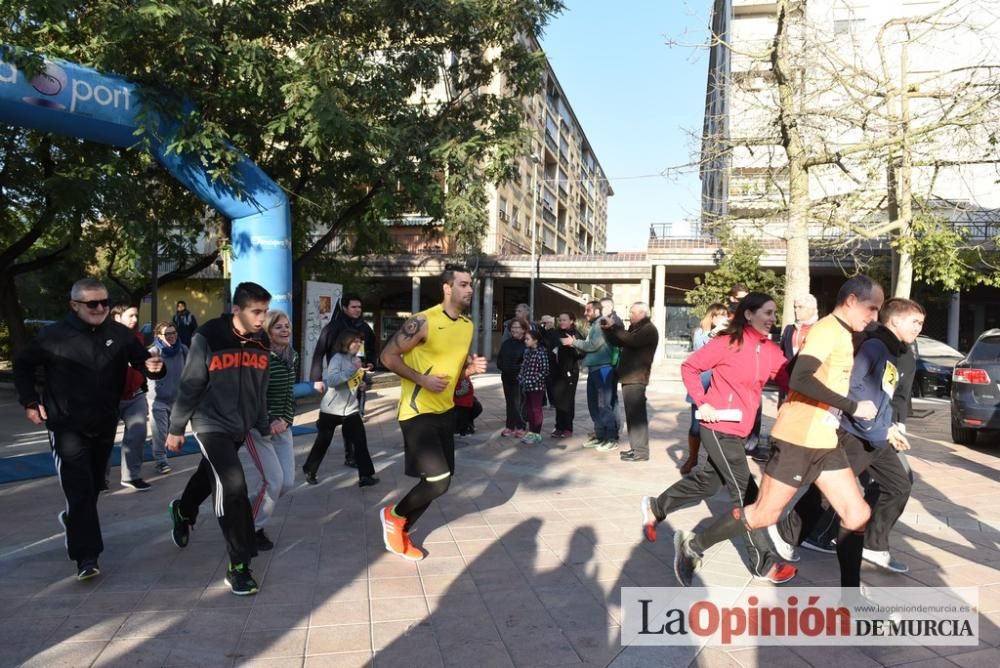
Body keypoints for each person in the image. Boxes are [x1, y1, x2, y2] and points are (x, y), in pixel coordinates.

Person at [671, 276, 883, 589]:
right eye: (872, 308)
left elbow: (793, 371)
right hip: (798, 439)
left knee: (856, 513)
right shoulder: (827, 330)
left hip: (824, 440)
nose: (874, 316)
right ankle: (694, 546)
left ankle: (851, 599)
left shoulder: (841, 332)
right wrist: (852, 406)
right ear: (851, 300)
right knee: (762, 514)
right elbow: (800, 379)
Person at [640, 293, 796, 586]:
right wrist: (703, 402)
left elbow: (790, 378)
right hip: (718, 424)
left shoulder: (770, 350)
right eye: (767, 312)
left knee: (708, 483)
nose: (773, 319)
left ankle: (656, 507)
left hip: (740, 430)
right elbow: (690, 368)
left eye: (775, 313)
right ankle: (763, 562)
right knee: (746, 494)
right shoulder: (727, 343)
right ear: (748, 315)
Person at [14, 279, 164, 581]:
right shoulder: (52, 335)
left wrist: (154, 367)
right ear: (75, 305)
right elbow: (22, 365)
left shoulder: (120, 334)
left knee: (95, 485)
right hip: (65, 424)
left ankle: (73, 520)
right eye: (92, 304)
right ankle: (87, 556)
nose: (100, 309)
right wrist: (30, 401)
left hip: (104, 423)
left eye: (104, 303)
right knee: (79, 489)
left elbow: (143, 361)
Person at [768, 297, 924, 576]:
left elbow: (886, 395)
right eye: (915, 322)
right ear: (896, 320)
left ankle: (874, 545)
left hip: (878, 436)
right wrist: (868, 421)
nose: (918, 329)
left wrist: (891, 427)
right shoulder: (874, 346)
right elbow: (852, 388)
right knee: (827, 495)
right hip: (855, 434)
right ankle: (787, 534)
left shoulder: (895, 349)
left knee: (900, 484)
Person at [165, 282, 273, 596]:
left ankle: (183, 510)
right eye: (256, 311)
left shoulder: (261, 342)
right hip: (209, 422)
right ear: (236, 309)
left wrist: (262, 423)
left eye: (264, 312)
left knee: (208, 473)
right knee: (232, 485)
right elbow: (191, 383)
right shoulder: (209, 336)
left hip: (239, 425)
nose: (260, 319)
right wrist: (176, 427)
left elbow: (260, 387)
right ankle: (239, 565)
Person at [378, 264, 487, 561]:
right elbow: (387, 356)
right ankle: (394, 515)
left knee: (440, 482)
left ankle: (401, 529)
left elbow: (453, 370)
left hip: (445, 412)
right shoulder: (422, 321)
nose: (469, 290)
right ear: (447, 287)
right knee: (438, 479)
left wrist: (469, 371)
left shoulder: (466, 326)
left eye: (471, 285)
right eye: (463, 284)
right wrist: (422, 379)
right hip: (416, 412)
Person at [239, 310, 300, 552]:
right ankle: (251, 529)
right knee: (272, 482)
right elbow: (252, 397)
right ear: (267, 331)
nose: (285, 330)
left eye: (287, 326)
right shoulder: (259, 357)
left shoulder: (291, 356)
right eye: (278, 327)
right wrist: (267, 423)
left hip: (282, 428)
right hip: (258, 429)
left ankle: (246, 512)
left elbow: (289, 394)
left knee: (286, 483)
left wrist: (285, 419)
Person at [302, 330, 379, 487]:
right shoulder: (337, 359)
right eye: (354, 341)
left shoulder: (356, 360)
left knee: (360, 441)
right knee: (323, 441)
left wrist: (362, 385)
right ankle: (309, 470)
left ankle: (365, 476)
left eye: (359, 341)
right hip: (331, 409)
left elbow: (353, 382)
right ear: (345, 343)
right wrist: (352, 368)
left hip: (350, 409)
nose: (357, 345)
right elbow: (332, 380)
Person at [309, 294, 377, 466]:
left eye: (360, 307)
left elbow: (371, 348)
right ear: (345, 308)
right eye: (354, 307)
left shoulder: (364, 327)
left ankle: (352, 456)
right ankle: (323, 428)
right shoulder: (333, 327)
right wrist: (316, 378)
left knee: (353, 418)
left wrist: (371, 362)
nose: (357, 310)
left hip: (357, 378)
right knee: (331, 424)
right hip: (337, 380)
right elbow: (319, 352)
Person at [601, 302, 659, 462]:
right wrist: (607, 330)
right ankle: (636, 449)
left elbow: (631, 340)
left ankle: (641, 451)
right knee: (632, 415)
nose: (630, 315)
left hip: (637, 377)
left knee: (637, 416)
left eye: (633, 312)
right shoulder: (637, 328)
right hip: (629, 377)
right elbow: (620, 341)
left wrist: (614, 327)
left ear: (643, 313)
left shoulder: (648, 329)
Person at [563, 301, 618, 451]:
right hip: (595, 370)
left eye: (588, 310)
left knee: (604, 405)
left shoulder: (601, 323)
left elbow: (594, 345)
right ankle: (600, 436)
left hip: (603, 370)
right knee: (594, 405)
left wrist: (573, 342)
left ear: (596, 310)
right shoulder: (595, 325)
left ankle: (611, 438)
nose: (585, 313)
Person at [681, 304, 729, 474]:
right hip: (701, 384)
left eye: (725, 315)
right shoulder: (700, 333)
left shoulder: (728, 335)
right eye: (719, 315)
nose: (723, 318)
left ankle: (715, 464)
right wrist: (715, 333)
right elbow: (700, 351)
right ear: (712, 317)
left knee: (717, 425)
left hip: (720, 385)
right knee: (696, 426)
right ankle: (692, 458)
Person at [109, 304, 152, 491]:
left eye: (136, 315)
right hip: (108, 397)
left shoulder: (139, 339)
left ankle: (131, 476)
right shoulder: (104, 339)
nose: (135, 320)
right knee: (103, 439)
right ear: (117, 318)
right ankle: (99, 479)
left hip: (135, 395)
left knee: (137, 434)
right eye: (130, 316)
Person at [148, 321, 189, 475]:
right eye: (167, 334)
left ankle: (156, 445)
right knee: (160, 432)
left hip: (177, 400)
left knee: (171, 430)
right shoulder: (154, 351)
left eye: (174, 333)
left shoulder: (183, 350)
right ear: (159, 336)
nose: (171, 336)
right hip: (158, 399)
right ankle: (161, 461)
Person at [778, 294, 819, 405]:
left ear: (812, 309)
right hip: (786, 382)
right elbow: (781, 356)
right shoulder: (789, 329)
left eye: (800, 307)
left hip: (809, 384)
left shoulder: (819, 330)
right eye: (795, 307)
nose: (796, 310)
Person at [549, 312, 584, 438]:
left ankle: (568, 427)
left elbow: (583, 353)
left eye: (564, 320)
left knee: (568, 400)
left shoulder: (576, 334)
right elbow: (549, 345)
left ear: (572, 321)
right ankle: (559, 427)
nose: (562, 322)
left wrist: (572, 345)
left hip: (570, 372)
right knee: (558, 399)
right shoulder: (556, 333)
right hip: (556, 372)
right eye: (560, 320)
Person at [496, 318, 528, 437]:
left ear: (524, 329)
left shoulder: (526, 343)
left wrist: (516, 369)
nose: (514, 330)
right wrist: (502, 366)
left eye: (517, 327)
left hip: (519, 379)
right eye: (512, 327)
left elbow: (526, 363)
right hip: (506, 377)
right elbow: (500, 358)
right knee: (510, 403)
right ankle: (510, 426)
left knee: (518, 404)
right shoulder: (507, 343)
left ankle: (521, 426)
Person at [518, 328, 549, 445]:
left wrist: (532, 380)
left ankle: (537, 433)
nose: (525, 341)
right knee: (530, 409)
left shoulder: (541, 353)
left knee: (536, 409)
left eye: (527, 339)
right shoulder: (527, 352)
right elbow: (523, 367)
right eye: (525, 339)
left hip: (537, 387)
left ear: (535, 340)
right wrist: (521, 378)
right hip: (527, 386)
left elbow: (545, 371)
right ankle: (531, 431)